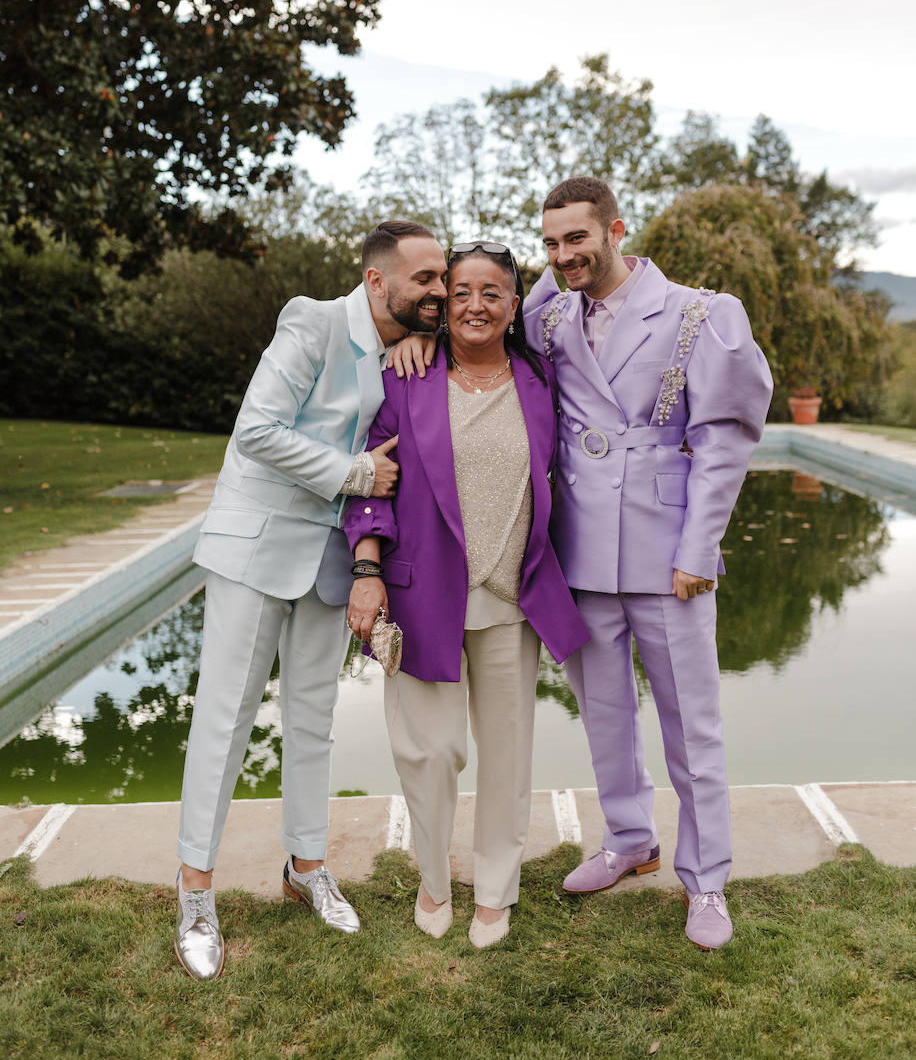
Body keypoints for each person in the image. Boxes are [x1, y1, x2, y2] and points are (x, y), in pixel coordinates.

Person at [174, 220, 448, 980]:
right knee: (224, 721)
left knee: (313, 722)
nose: (437, 291)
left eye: (441, 279)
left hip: (333, 561)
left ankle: (307, 868)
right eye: (423, 279)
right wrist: (356, 474)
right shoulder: (312, 321)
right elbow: (255, 429)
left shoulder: (411, 347)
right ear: (376, 281)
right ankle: (196, 890)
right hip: (256, 549)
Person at [524, 176, 773, 949]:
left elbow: (727, 440)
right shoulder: (551, 314)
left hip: (670, 553)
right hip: (585, 549)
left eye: (578, 238)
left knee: (691, 727)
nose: (565, 254)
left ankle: (707, 881)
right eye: (552, 241)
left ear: (616, 229)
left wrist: (700, 548)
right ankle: (629, 840)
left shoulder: (701, 312)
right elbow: (487, 316)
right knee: (603, 713)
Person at [343, 241, 589, 948]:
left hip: (515, 598)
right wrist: (367, 570)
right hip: (422, 597)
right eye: (460, 292)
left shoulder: (543, 378)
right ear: (441, 305)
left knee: (508, 753)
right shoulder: (405, 377)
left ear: (514, 306)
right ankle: (431, 876)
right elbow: (371, 485)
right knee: (430, 751)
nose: (476, 304)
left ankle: (496, 890)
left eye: (492, 292)